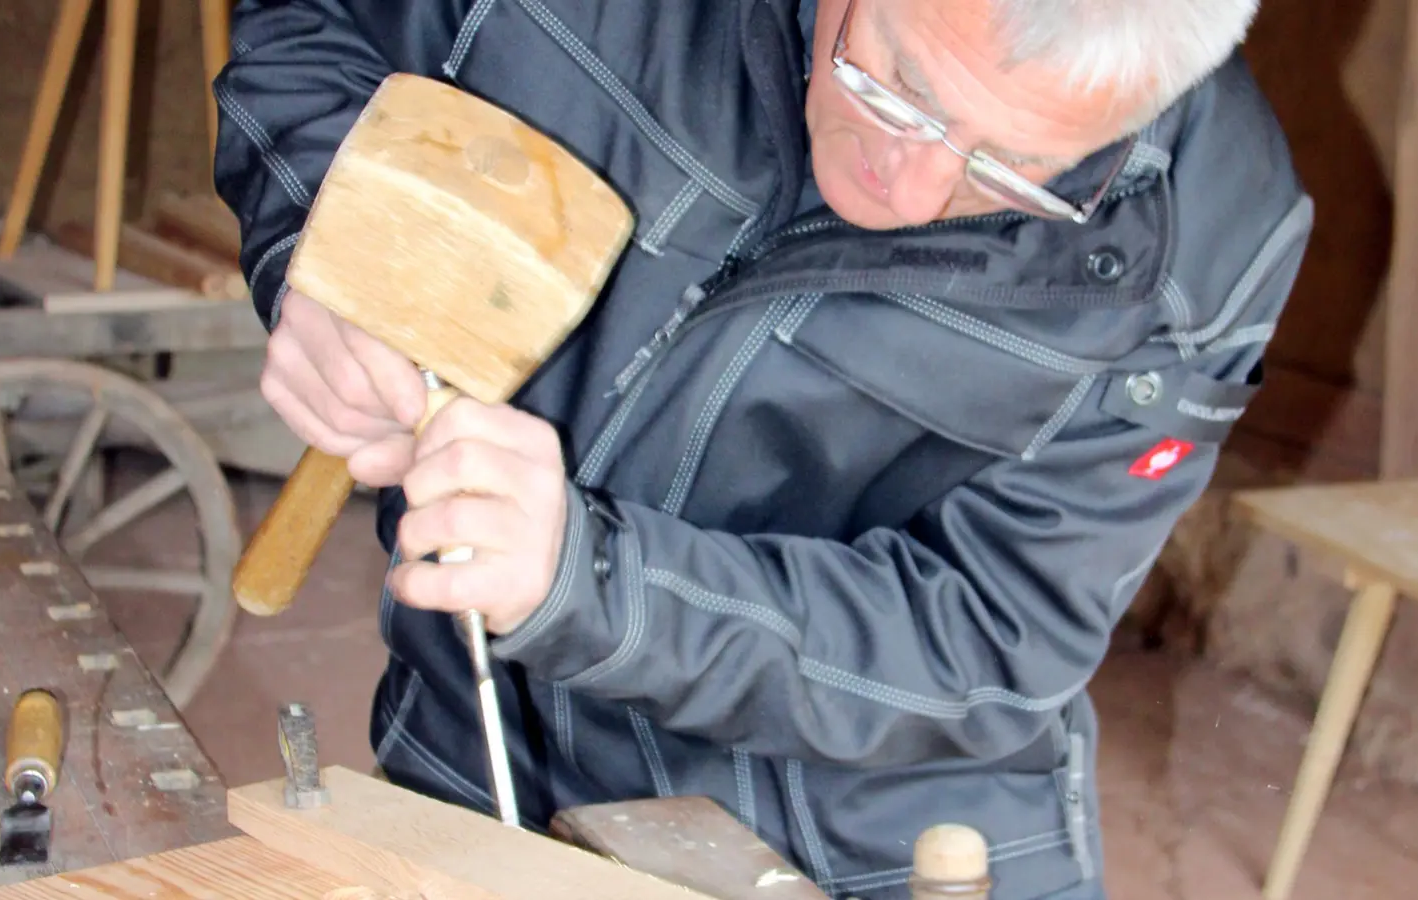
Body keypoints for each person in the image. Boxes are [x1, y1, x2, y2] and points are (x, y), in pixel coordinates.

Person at [212, 0, 1310, 896]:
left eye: (1016, 175)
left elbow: (988, 638)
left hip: (871, 850)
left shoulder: (1197, 237)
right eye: (897, 89)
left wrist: (595, 583)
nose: (908, 186)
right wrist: (326, 235)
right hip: (482, 755)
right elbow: (314, 25)